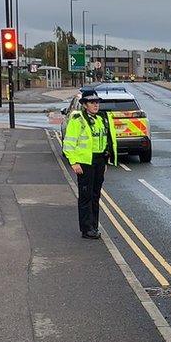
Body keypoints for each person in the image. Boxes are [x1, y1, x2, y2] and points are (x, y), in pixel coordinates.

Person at [62, 91, 117, 239]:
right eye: (92, 102)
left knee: (95, 195)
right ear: (85, 105)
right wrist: (73, 162)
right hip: (85, 163)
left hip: (99, 161)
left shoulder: (100, 119)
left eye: (97, 102)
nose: (95, 105)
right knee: (86, 197)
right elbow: (68, 143)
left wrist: (105, 161)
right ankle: (86, 229)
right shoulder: (77, 120)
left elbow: (104, 141)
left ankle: (94, 225)